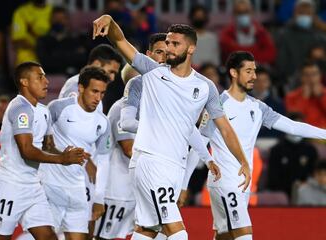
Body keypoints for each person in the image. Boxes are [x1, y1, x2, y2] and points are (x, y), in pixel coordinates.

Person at [93, 14, 250, 240]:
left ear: (191, 49)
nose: (169, 48)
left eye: (175, 44)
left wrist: (240, 160)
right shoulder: (153, 72)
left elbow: (223, 127)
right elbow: (120, 42)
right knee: (178, 234)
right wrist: (110, 21)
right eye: (167, 43)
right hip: (150, 162)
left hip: (175, 166)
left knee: (147, 230)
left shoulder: (205, 87)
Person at [199, 51, 326, 240]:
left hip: (243, 183)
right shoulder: (218, 104)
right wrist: (183, 182)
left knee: (225, 235)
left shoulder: (258, 107)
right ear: (233, 73)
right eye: (249, 71)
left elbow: (292, 126)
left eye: (255, 71)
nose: (254, 77)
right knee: (244, 235)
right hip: (224, 181)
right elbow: (200, 141)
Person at [0, 61, 88, 240]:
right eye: (40, 77)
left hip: (33, 186)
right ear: (24, 82)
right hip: (10, 184)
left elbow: (47, 147)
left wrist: (69, 154)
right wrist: (62, 159)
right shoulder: (20, 109)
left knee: (48, 237)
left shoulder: (43, 111)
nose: (46, 82)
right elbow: (26, 150)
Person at [94, 33, 167, 240]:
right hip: (118, 190)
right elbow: (128, 148)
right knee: (103, 237)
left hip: (139, 188)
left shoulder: (155, 107)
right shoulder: (121, 108)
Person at [38, 66, 111, 240]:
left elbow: (103, 160)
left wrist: (99, 199)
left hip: (78, 189)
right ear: (80, 88)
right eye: (94, 91)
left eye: (102, 93)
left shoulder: (103, 122)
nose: (98, 98)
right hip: (50, 185)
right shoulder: (58, 108)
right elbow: (42, 142)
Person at [58, 44, 123, 112]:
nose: (112, 78)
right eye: (111, 72)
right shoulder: (76, 84)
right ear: (97, 64)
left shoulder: (98, 93)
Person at [219, 0, 276, 65]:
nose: (243, 15)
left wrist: (242, 53)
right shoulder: (226, 33)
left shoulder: (261, 31)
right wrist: (256, 50)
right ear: (234, 13)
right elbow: (230, 53)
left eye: (246, 12)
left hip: (258, 69)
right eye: (239, 13)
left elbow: (271, 54)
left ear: (251, 12)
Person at [285, 61, 326, 128]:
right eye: (307, 75)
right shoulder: (291, 97)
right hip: (301, 134)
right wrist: (304, 98)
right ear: (301, 77)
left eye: (314, 74)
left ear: (320, 76)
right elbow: (294, 120)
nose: (311, 78)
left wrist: (321, 97)